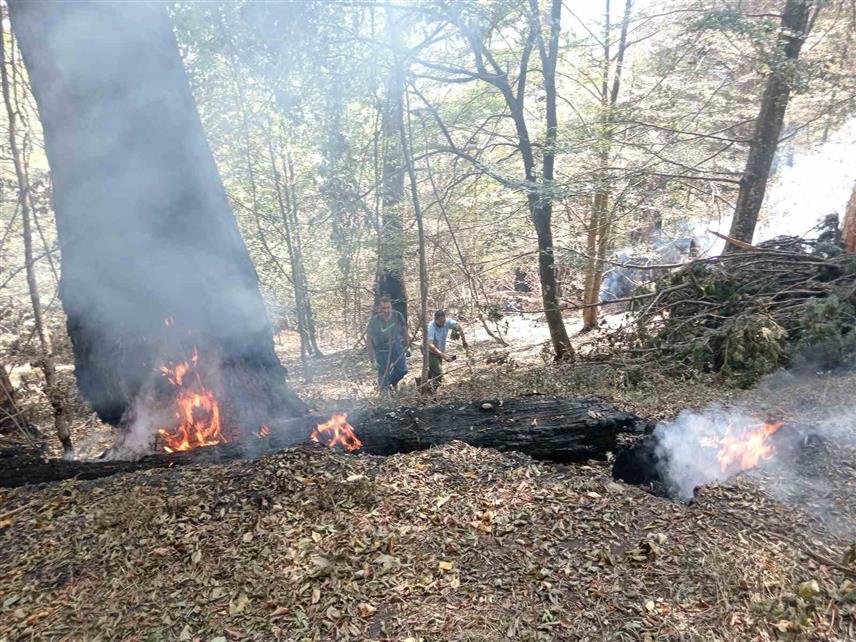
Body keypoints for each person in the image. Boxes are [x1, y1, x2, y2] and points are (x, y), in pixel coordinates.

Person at [366, 296, 409, 391]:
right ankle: (384, 390)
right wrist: (372, 360)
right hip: (381, 349)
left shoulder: (398, 316)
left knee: (403, 369)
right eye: (383, 308)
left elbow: (404, 331)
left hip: (396, 345)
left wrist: (407, 345)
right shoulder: (374, 320)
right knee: (383, 373)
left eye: (388, 308)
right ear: (379, 309)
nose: (386, 311)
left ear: (391, 307)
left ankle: (389, 382)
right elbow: (369, 340)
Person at [426, 310, 467, 392]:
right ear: (435, 320)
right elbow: (430, 344)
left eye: (444, 321)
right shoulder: (431, 327)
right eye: (441, 322)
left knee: (434, 370)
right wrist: (443, 355)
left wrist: (464, 341)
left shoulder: (447, 322)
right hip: (429, 350)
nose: (443, 324)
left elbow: (458, 326)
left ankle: (422, 380)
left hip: (439, 349)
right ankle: (432, 392)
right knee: (439, 372)